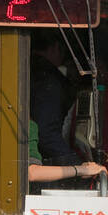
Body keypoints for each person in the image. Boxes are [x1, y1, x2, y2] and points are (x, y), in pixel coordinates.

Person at [30, 31, 79, 165]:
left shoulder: (23, 67)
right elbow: (46, 132)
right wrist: (73, 163)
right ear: (56, 47)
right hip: (40, 162)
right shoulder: (48, 81)